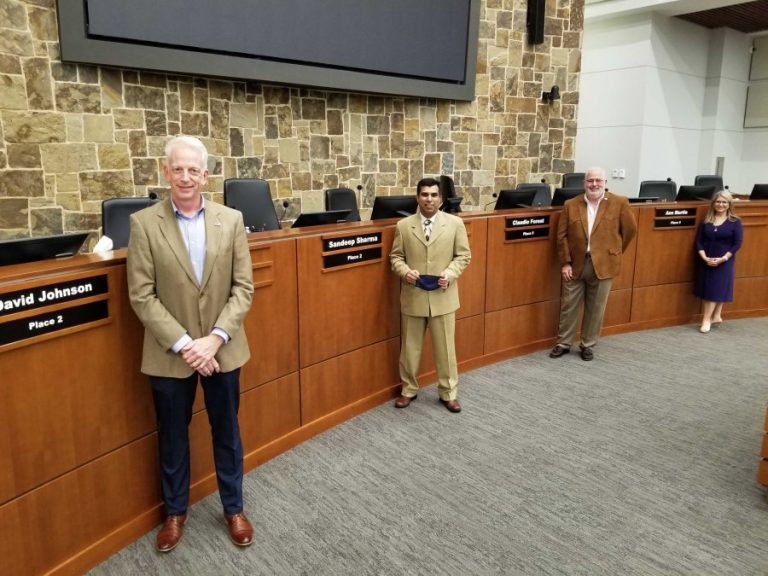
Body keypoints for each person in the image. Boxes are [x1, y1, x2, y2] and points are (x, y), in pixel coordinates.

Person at [127, 135, 255, 552]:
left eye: (193, 170)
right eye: (177, 168)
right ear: (166, 172)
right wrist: (187, 345)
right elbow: (141, 295)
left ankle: (233, 508)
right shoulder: (144, 224)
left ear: (206, 175)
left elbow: (243, 289)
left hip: (223, 350)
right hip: (170, 354)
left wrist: (214, 339)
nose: (185, 177)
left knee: (227, 432)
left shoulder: (231, 219)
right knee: (173, 436)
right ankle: (175, 513)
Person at [390, 177, 471, 412]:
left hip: (443, 296)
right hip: (413, 296)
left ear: (441, 199)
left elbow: (463, 256)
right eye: (424, 194)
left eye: (434, 195)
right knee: (410, 349)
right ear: (417, 197)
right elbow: (396, 258)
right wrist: (405, 273)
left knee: (446, 349)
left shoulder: (455, 224)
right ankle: (408, 390)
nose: (429, 199)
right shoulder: (403, 226)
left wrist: (451, 273)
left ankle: (448, 392)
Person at [549, 167, 637, 361]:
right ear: (584, 183)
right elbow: (561, 236)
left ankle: (588, 344)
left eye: (598, 180)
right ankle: (563, 343)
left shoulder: (619, 203)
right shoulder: (571, 204)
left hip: (605, 265)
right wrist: (565, 263)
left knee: (596, 307)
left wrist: (614, 251)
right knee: (569, 305)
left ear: (605, 183)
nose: (594, 184)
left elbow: (630, 231)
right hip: (576, 264)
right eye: (590, 181)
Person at [694, 190, 743, 333]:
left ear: (729, 204)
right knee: (711, 289)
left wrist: (723, 258)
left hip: (724, 260)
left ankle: (706, 320)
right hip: (706, 260)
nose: (720, 204)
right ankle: (716, 316)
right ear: (713, 203)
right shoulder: (707, 221)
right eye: (718, 201)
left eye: (724, 202)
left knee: (715, 290)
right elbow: (698, 242)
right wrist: (704, 257)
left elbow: (737, 243)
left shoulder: (735, 221)